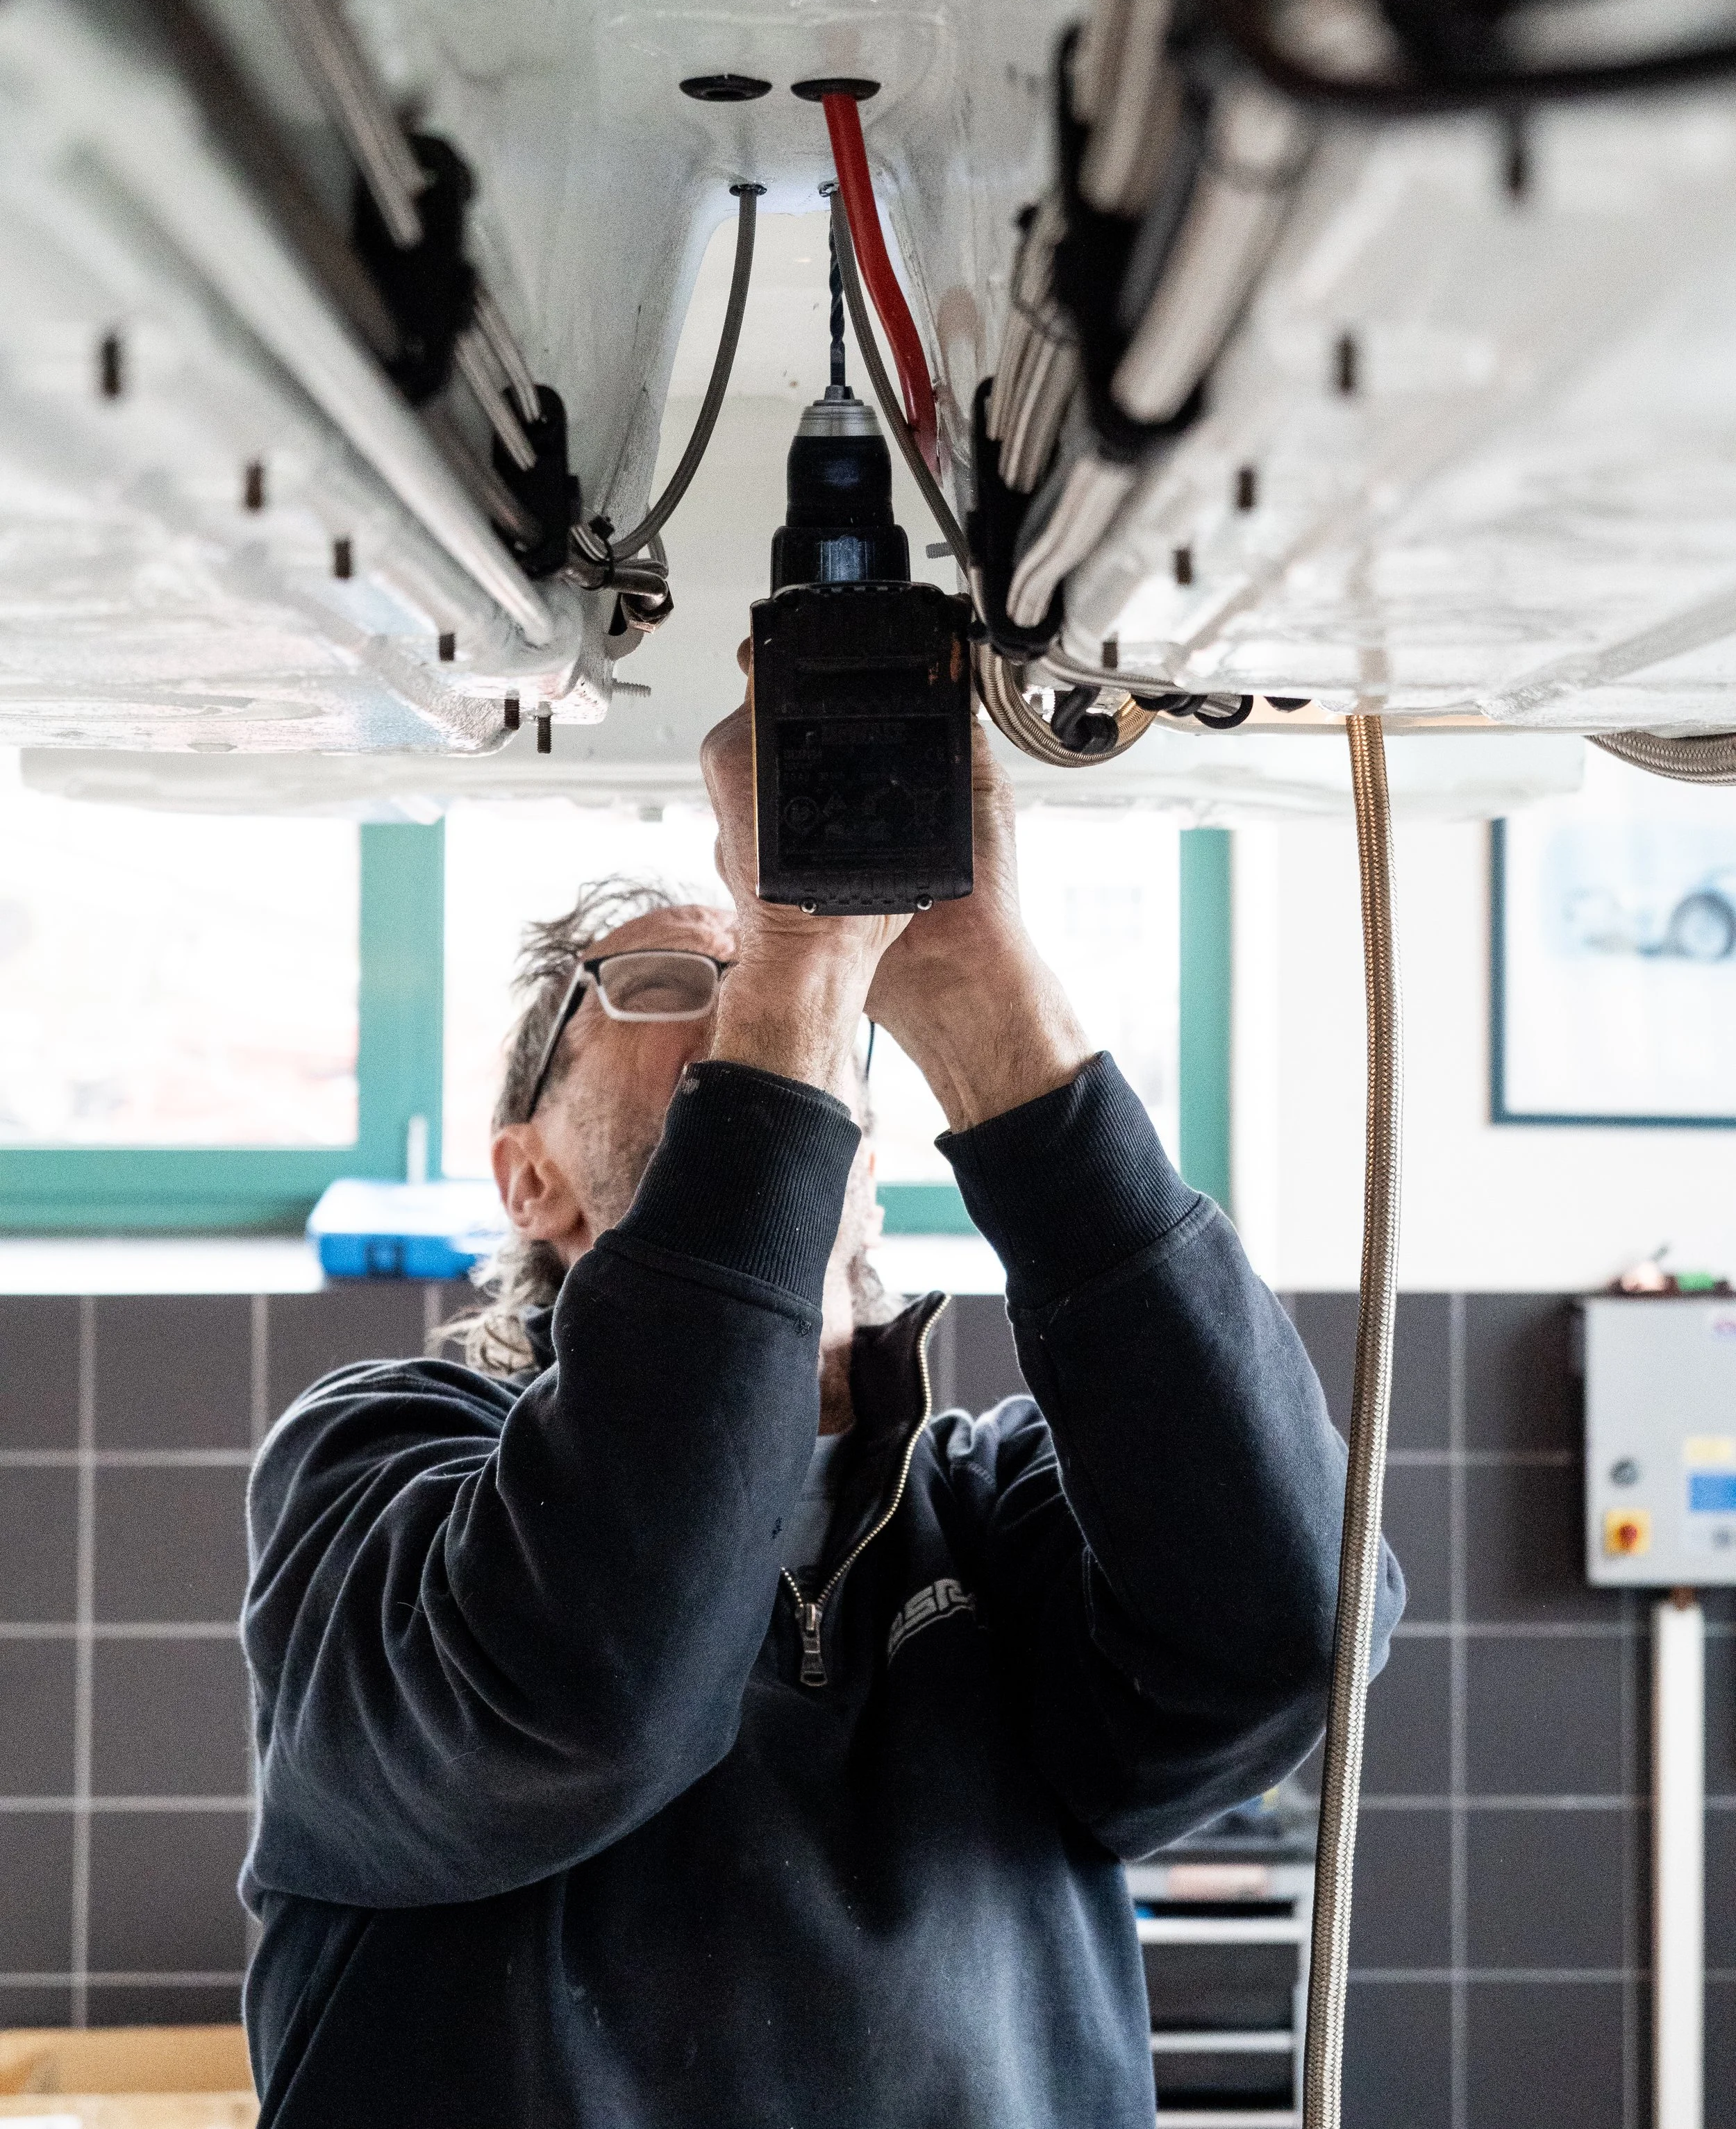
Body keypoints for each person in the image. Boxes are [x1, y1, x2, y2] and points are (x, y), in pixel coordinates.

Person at [240, 683, 1403, 2129]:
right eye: (666, 984)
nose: (745, 1017)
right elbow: (586, 1694)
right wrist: (790, 971)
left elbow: (1293, 1637)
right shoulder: (377, 1469)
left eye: (799, 1016)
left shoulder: (1007, 1513)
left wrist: (979, 988)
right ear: (526, 1176)